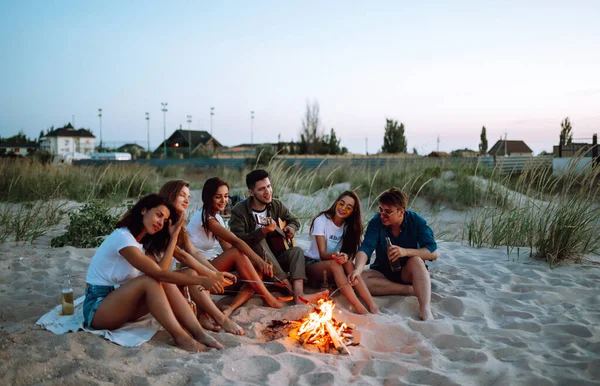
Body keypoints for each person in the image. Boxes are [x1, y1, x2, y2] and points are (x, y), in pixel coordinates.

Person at [83, 194, 224, 352]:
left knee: (161, 281)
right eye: (159, 215)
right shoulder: (123, 239)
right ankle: (182, 338)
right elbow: (159, 274)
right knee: (149, 280)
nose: (160, 223)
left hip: (118, 305)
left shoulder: (139, 243)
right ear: (144, 210)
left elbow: (162, 271)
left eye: (164, 221)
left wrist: (173, 237)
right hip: (97, 309)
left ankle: (199, 333)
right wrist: (201, 281)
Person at [159, 181, 282, 324]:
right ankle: (268, 298)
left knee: (255, 274)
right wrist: (257, 260)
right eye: (218, 197)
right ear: (209, 197)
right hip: (195, 268)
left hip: (207, 265)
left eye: (226, 196)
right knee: (241, 257)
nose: (224, 200)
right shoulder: (205, 219)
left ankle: (230, 308)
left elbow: (226, 247)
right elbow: (236, 244)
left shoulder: (212, 218)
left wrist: (247, 265)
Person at [229, 169, 328, 305]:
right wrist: (262, 232)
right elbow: (238, 240)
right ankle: (286, 285)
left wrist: (291, 228)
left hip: (278, 258)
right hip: (255, 262)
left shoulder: (276, 205)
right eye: (262, 189)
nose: (268, 191)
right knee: (260, 241)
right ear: (251, 193)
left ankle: (298, 294)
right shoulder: (239, 211)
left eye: (269, 186)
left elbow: (294, 220)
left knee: (297, 251)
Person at [350, 188, 438, 320]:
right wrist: (357, 269)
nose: (382, 215)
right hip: (383, 271)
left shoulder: (415, 221)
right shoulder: (376, 222)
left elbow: (433, 252)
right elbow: (366, 247)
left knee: (416, 260)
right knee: (358, 279)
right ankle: (409, 290)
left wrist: (405, 251)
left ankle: (425, 310)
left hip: (408, 271)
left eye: (388, 212)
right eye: (381, 210)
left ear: (401, 211)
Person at [304, 191, 379, 314]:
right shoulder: (321, 220)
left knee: (349, 263)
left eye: (348, 207)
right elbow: (322, 254)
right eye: (341, 204)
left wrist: (345, 256)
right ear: (336, 203)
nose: (343, 209)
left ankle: (373, 306)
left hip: (334, 265)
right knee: (335, 264)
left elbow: (349, 252)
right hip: (313, 264)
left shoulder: (348, 226)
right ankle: (360, 308)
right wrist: (337, 256)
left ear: (352, 212)